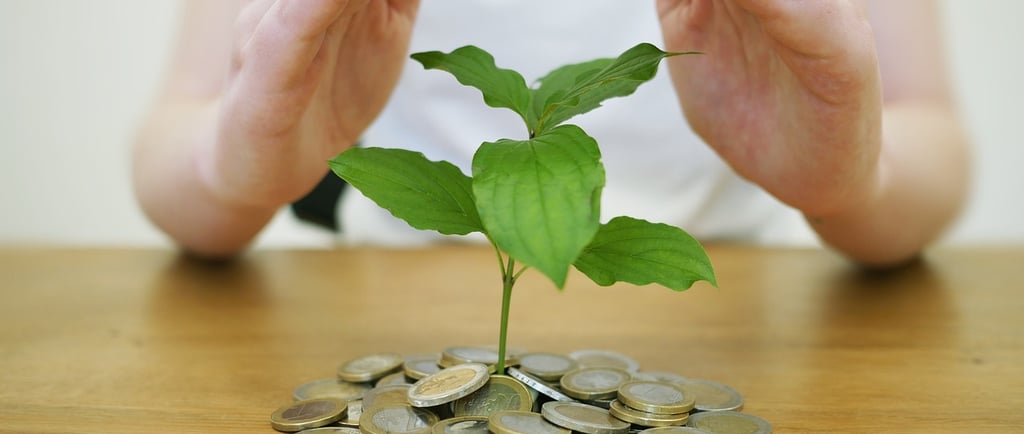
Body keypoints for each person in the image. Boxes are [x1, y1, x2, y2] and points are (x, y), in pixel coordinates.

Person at [132, 0, 969, 268]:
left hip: (743, 318)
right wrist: (231, 167)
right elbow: (169, 148)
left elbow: (933, 136)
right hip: (389, 313)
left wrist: (853, 182)